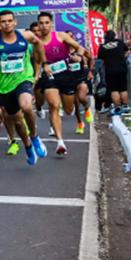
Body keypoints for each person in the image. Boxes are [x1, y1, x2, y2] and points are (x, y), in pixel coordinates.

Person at [0, 10, 46, 165]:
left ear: (15, 22)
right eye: (3, 21)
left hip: (23, 79)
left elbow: (38, 43)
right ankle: (27, 146)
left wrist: (40, 65)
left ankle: (34, 137)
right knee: (18, 122)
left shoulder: (25, 36)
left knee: (26, 106)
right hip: (5, 86)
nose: (7, 24)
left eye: (10, 21)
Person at [32, 11, 86, 156]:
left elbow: (80, 47)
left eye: (46, 23)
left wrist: (78, 56)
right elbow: (38, 61)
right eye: (41, 23)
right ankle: (60, 142)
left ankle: (68, 108)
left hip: (66, 75)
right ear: (38, 25)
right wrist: (36, 76)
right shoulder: (37, 42)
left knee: (68, 110)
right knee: (54, 105)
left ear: (51, 24)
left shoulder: (61, 36)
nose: (44, 26)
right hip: (49, 76)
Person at [99, 30, 131, 114]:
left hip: (110, 69)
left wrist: (106, 63)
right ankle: (126, 106)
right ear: (114, 36)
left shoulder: (102, 46)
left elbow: (102, 60)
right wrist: (123, 58)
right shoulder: (120, 42)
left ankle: (117, 108)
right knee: (123, 88)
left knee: (114, 89)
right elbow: (128, 51)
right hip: (122, 68)